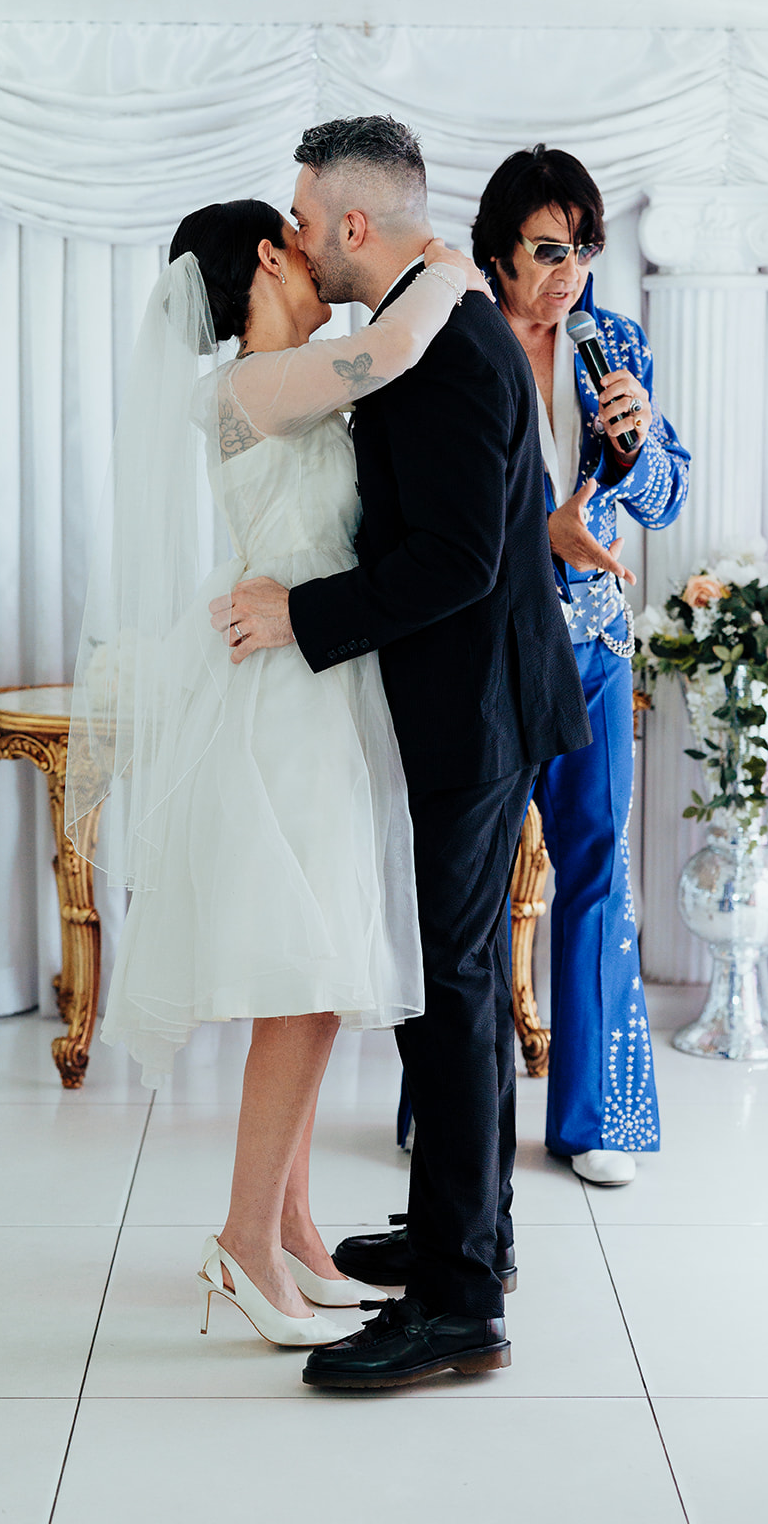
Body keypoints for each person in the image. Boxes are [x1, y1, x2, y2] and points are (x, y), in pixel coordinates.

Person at [67, 198, 490, 1349]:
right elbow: (395, 348)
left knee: (321, 965)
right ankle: (243, 1242)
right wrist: (448, 271)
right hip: (283, 706)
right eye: (300, 241)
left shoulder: (301, 371)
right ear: (265, 255)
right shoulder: (251, 386)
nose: (319, 256)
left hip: (322, 681)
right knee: (303, 979)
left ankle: (295, 1229)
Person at [212, 116, 590, 1390]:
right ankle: (461, 1232)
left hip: (469, 709)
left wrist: (296, 615)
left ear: (352, 226)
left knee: (452, 995)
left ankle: (458, 1301)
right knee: (465, 979)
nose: (299, 242)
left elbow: (453, 561)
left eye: (307, 220)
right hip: (477, 697)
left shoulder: (437, 347)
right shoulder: (436, 320)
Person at [471, 145, 691, 1185]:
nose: (570, 272)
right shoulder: (451, 344)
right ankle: (452, 1107)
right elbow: (414, 515)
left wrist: (640, 448)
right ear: (498, 252)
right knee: (461, 888)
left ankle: (594, 1116)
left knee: (598, 872)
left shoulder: (614, 343)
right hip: (475, 649)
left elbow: (660, 500)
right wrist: (533, 540)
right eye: (549, 250)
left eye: (585, 248)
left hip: (594, 648)